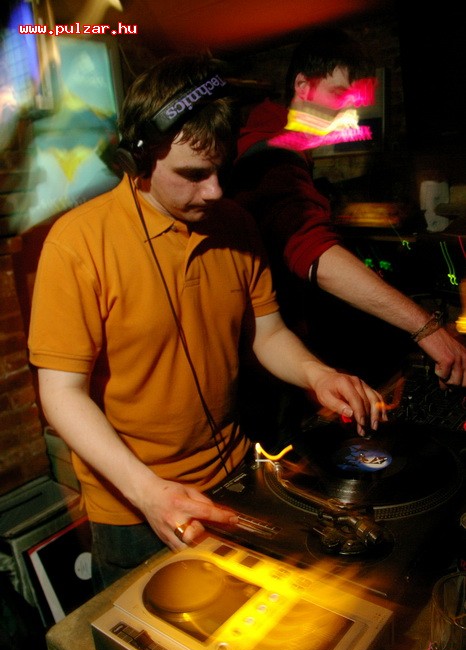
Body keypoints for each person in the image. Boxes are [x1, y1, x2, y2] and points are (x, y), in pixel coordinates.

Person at [27, 54, 386, 592]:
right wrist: (148, 492)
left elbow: (268, 332)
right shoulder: (78, 244)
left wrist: (318, 374)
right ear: (139, 158)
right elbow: (62, 393)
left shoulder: (235, 224)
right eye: (193, 175)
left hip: (236, 477)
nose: (215, 191)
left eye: (222, 169)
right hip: (132, 503)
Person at [228, 27, 466, 406]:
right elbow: (313, 252)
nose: (347, 112)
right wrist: (427, 328)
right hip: (262, 364)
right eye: (339, 94)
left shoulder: (276, 142)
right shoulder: (272, 154)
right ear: (303, 86)